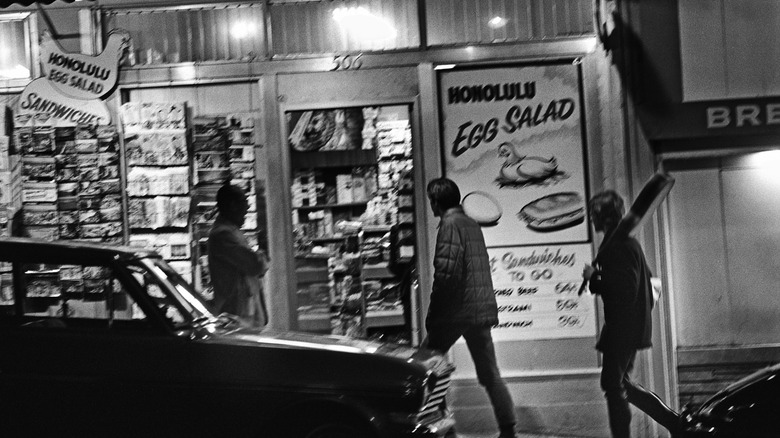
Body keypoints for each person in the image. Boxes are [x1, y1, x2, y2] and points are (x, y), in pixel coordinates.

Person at [424, 178, 517, 438]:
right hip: (479, 309)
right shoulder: (471, 223)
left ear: (436, 202)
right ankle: (508, 429)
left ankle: (443, 429)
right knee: (490, 373)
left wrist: (434, 315)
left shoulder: (450, 225)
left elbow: (447, 275)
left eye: (431, 200)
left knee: (427, 367)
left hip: (456, 312)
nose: (431, 205)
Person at [582, 190, 679, 438]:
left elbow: (626, 287)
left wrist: (595, 277)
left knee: (612, 384)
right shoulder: (622, 242)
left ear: (602, 215)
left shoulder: (619, 245)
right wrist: (597, 279)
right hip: (628, 325)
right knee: (621, 383)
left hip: (623, 327)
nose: (591, 218)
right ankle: (674, 423)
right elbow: (646, 281)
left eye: (593, 213)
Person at [208, 183, 269, 327]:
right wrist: (261, 255)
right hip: (237, 318)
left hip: (244, 316)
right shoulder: (223, 234)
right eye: (244, 202)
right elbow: (256, 265)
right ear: (233, 205)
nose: (247, 207)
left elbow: (255, 266)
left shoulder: (232, 231)